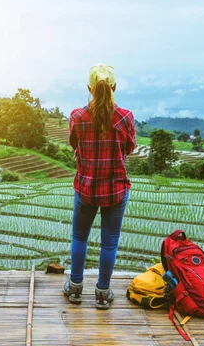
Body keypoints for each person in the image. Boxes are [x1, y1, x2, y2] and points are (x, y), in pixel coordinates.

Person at [63, 64, 136, 309]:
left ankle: (74, 289)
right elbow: (129, 148)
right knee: (109, 243)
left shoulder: (77, 116)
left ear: (89, 89)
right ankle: (103, 294)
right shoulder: (125, 117)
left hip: (86, 188)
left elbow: (74, 144)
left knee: (79, 238)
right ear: (114, 87)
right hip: (116, 190)